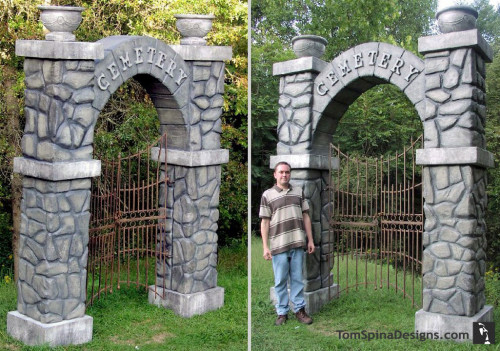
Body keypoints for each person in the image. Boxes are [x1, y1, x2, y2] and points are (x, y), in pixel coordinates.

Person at [259, 161, 315, 326]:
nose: (284, 175)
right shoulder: (267, 195)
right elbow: (264, 222)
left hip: (297, 243)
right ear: (275, 175)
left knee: (297, 279)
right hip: (278, 246)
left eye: (287, 172)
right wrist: (265, 247)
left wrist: (310, 240)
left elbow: (306, 216)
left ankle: (299, 310)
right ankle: (282, 312)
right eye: (281, 172)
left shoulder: (298, 192)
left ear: (290, 174)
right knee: (280, 281)